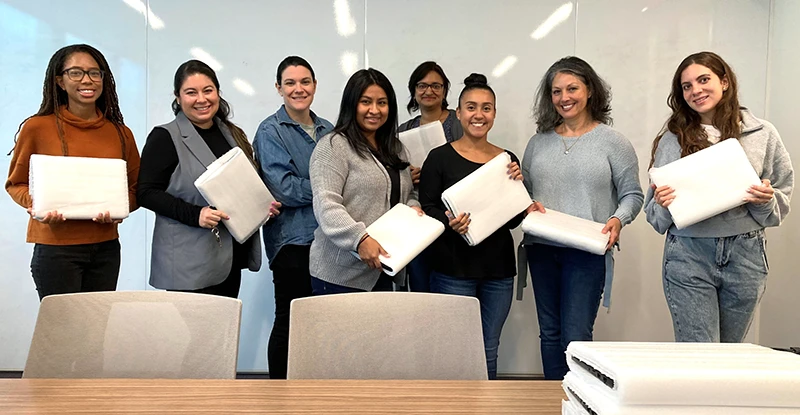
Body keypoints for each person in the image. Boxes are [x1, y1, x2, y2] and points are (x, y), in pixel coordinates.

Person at [645, 51, 793, 343]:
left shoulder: (762, 133)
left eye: (703, 80)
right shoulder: (672, 139)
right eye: (686, 86)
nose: (695, 90)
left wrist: (765, 200)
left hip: (746, 255)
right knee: (699, 354)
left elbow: (779, 204)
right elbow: (654, 216)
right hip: (688, 254)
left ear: (724, 82)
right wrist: (661, 205)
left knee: (728, 356)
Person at [522, 56, 643, 380]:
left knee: (575, 336)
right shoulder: (537, 143)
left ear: (590, 90)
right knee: (549, 333)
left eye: (572, 88)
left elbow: (633, 194)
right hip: (541, 249)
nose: (564, 97)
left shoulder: (613, 142)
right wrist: (521, 197)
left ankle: (578, 402)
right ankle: (552, 401)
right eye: (556, 91)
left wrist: (618, 219)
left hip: (587, 251)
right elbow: (526, 196)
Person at [5, 44, 140, 300]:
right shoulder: (37, 127)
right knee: (63, 333)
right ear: (60, 81)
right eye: (75, 73)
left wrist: (119, 210)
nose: (87, 80)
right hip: (56, 249)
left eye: (94, 73)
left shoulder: (121, 133)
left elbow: (136, 188)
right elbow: (15, 184)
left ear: (104, 79)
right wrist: (40, 206)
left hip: (105, 249)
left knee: (96, 331)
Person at [137, 59, 279, 298]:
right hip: (189, 264)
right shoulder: (165, 136)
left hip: (229, 258)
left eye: (208, 90)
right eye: (191, 92)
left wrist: (262, 207)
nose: (201, 99)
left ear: (218, 92)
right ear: (178, 97)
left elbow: (240, 185)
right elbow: (146, 192)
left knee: (223, 333)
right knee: (192, 336)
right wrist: (196, 214)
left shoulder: (230, 133)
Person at [418, 73, 525, 380]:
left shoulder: (507, 160)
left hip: (499, 271)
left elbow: (516, 219)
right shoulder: (438, 158)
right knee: (455, 350)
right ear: (459, 112)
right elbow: (427, 209)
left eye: (486, 108)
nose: (479, 115)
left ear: (494, 113)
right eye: (471, 107)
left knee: (489, 348)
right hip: (453, 270)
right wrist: (449, 222)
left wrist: (517, 187)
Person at [253, 56, 333, 379]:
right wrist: (330, 189)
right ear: (278, 88)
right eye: (290, 83)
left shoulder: (328, 129)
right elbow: (283, 188)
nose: (298, 89)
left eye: (305, 82)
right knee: (289, 318)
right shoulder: (270, 130)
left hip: (328, 239)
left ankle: (311, 394)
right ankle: (279, 397)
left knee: (320, 322)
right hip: (291, 242)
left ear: (315, 85)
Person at [309, 68, 422, 294]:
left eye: (382, 103)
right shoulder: (333, 146)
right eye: (366, 102)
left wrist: (414, 208)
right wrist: (360, 239)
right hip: (340, 275)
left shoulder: (396, 149)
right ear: (352, 104)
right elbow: (326, 205)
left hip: (383, 268)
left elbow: (407, 193)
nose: (374, 110)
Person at [398, 61, 463, 293]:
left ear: (445, 90)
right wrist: (407, 174)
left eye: (436, 85)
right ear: (414, 91)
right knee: (419, 285)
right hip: (417, 215)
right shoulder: (402, 129)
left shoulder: (459, 122)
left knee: (448, 290)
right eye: (422, 85)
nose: (429, 91)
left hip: (450, 213)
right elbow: (393, 172)